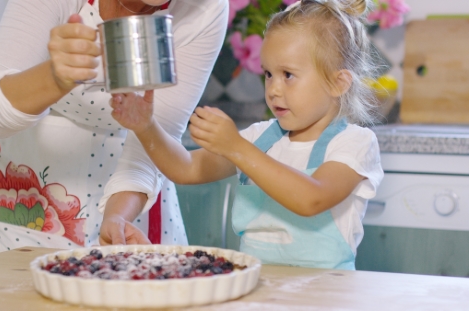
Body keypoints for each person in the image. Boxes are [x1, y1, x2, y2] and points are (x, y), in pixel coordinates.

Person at [109, 0, 384, 269]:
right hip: (258, 286)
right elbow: (187, 169)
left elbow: (312, 199)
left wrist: (237, 148)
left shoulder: (354, 143)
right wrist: (146, 126)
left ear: (338, 83)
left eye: (288, 74)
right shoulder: (259, 138)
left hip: (326, 293)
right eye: (268, 74)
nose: (273, 89)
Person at [0, 0, 228, 256]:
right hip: (25, 187)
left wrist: (117, 216)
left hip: (129, 191)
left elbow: (157, 139)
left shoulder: (205, 7)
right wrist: (55, 78)